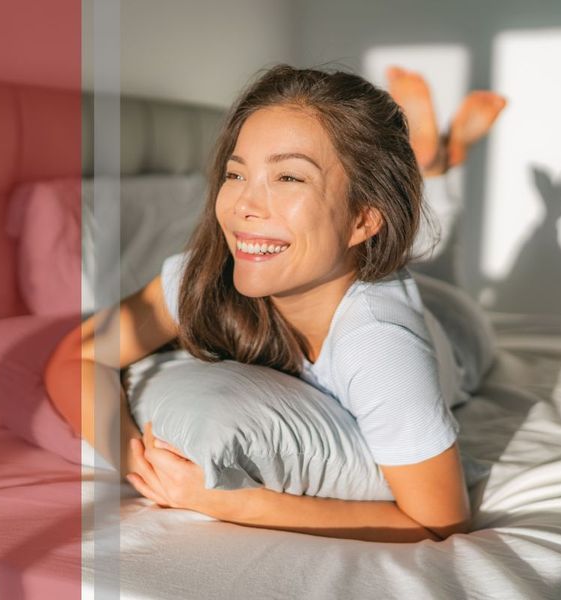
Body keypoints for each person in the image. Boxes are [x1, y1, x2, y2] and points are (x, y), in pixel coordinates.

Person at [44, 64, 505, 544]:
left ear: (363, 218)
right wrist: (132, 456)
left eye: (288, 177)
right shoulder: (206, 274)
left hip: (451, 329)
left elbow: (439, 521)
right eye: (236, 173)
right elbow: (76, 356)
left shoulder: (382, 346)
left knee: (442, 272)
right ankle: (433, 163)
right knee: (420, 260)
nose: (244, 204)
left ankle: (436, 169)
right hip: (351, 271)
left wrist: (227, 500)